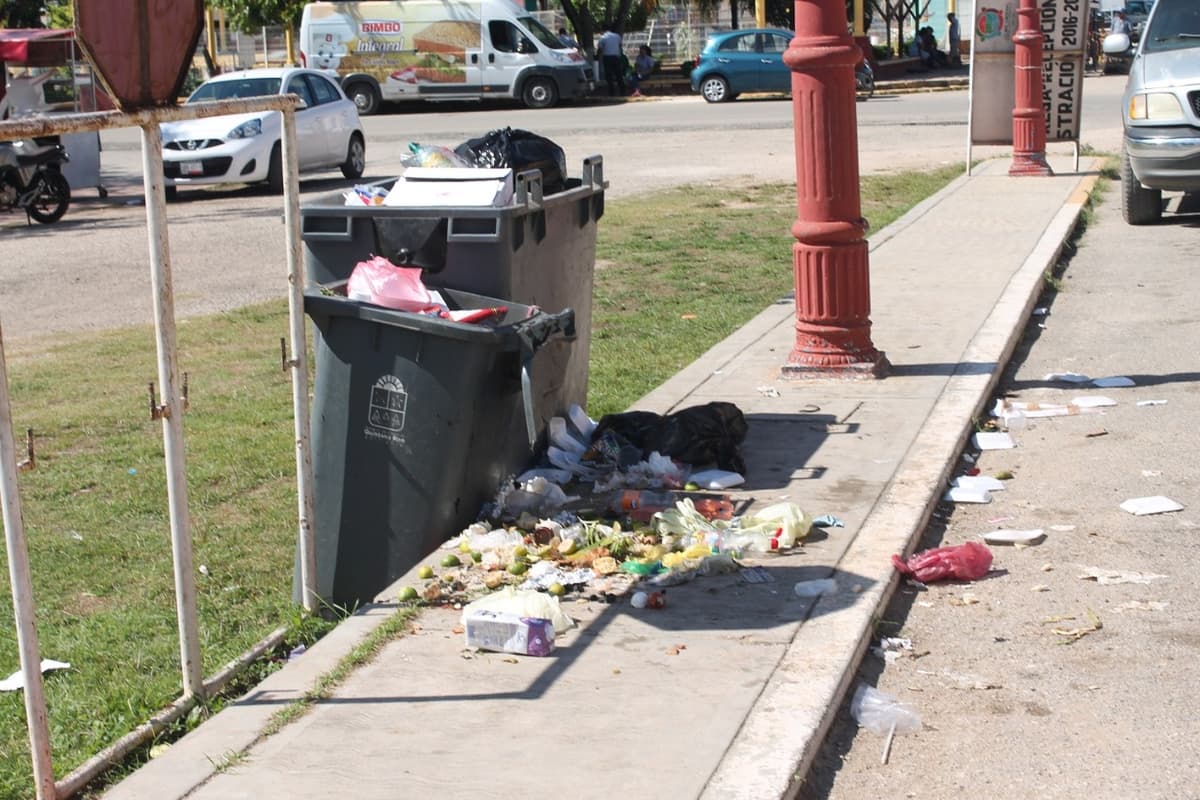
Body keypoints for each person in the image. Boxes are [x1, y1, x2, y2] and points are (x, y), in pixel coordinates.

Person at [596, 24, 626, 96]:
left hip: (607, 58)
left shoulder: (603, 38)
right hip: (616, 57)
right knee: (618, 74)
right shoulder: (617, 36)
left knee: (609, 75)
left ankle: (612, 92)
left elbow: (600, 48)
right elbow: (620, 45)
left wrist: (597, 56)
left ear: (602, 30)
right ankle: (622, 91)